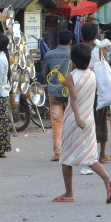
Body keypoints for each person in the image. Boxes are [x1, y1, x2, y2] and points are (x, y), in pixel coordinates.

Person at [56, 42, 111, 204]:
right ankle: (108, 180)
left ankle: (69, 193)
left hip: (74, 120)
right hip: (89, 119)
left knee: (66, 157)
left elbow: (74, 99)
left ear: (73, 60)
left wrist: (77, 118)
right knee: (90, 157)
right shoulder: (92, 75)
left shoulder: (72, 76)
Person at [80, 22, 109, 165]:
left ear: (82, 35)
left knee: (86, 121)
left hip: (84, 90)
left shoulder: (80, 49)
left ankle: (86, 154)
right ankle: (102, 155)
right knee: (101, 122)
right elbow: (107, 66)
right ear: (96, 35)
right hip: (98, 89)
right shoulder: (100, 50)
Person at [42, 29, 74, 162]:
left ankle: (58, 153)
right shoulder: (73, 54)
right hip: (70, 92)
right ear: (70, 42)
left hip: (54, 93)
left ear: (57, 40)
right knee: (71, 122)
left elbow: (45, 74)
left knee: (56, 123)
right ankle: (71, 150)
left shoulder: (49, 55)